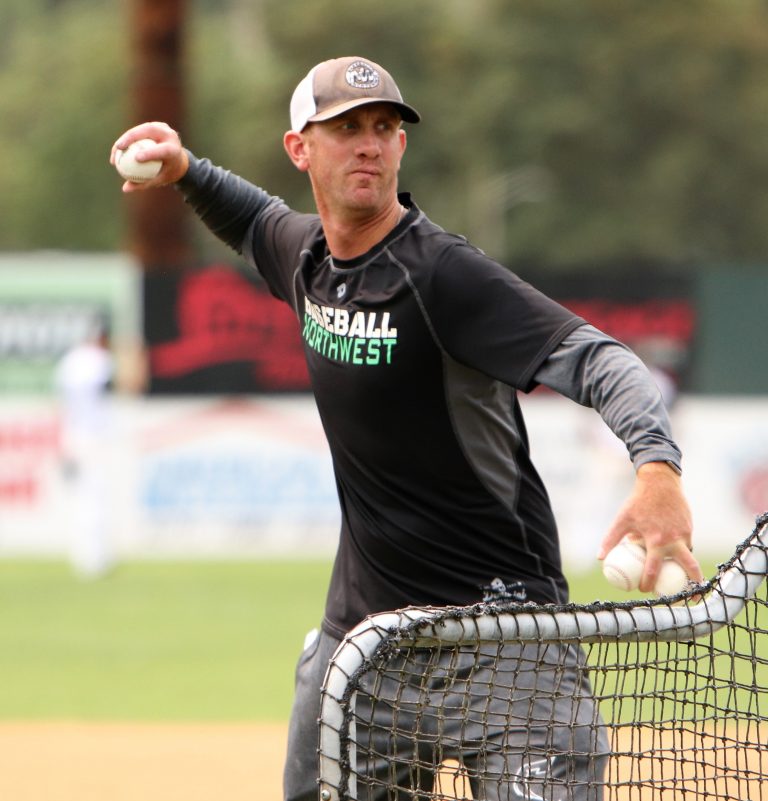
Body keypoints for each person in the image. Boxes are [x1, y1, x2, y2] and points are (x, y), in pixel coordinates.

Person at [111, 56, 703, 800]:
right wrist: (187, 168)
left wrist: (657, 469)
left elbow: (601, 360)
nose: (369, 143)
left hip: (505, 643)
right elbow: (256, 219)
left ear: (400, 147)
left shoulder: (443, 276)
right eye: (346, 128)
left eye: (385, 128)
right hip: (369, 643)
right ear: (301, 149)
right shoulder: (308, 261)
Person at [54, 323, 115, 578]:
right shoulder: (99, 359)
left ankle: (82, 557)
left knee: (79, 497)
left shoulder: (69, 360)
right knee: (94, 496)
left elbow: (61, 400)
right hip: (93, 436)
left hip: (71, 435)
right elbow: (122, 386)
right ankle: (94, 560)